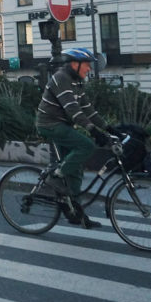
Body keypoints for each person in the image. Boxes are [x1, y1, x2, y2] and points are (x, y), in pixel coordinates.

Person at [35, 47, 112, 229]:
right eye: (87, 65)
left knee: (76, 170)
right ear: (74, 64)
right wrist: (93, 131)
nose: (89, 69)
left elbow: (88, 110)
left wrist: (109, 128)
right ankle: (55, 176)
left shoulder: (77, 82)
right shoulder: (61, 78)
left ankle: (75, 213)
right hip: (50, 124)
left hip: (63, 125)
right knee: (86, 146)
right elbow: (73, 110)